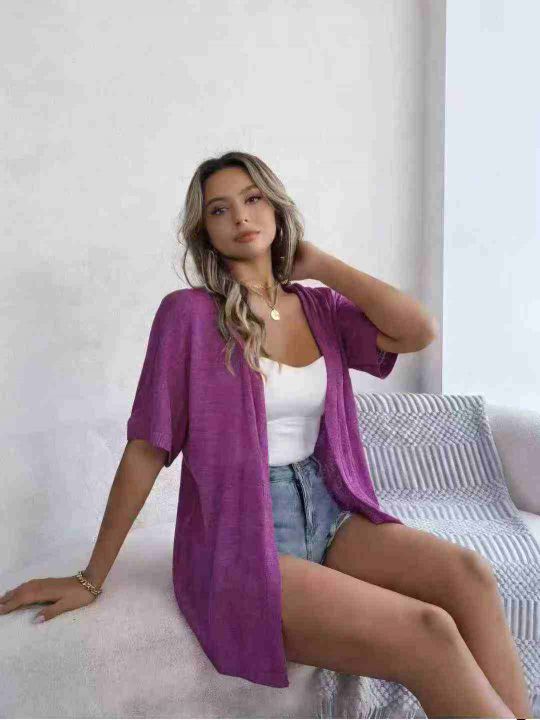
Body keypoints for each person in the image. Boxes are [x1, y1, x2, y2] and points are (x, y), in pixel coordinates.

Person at [0, 151, 531, 718]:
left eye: (253, 199)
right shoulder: (188, 316)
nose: (240, 217)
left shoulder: (318, 307)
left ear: (277, 208)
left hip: (330, 512)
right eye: (219, 209)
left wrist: (320, 264)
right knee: (430, 630)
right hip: (243, 536)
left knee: (470, 575)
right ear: (204, 232)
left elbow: (416, 331)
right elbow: (147, 448)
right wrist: (91, 577)